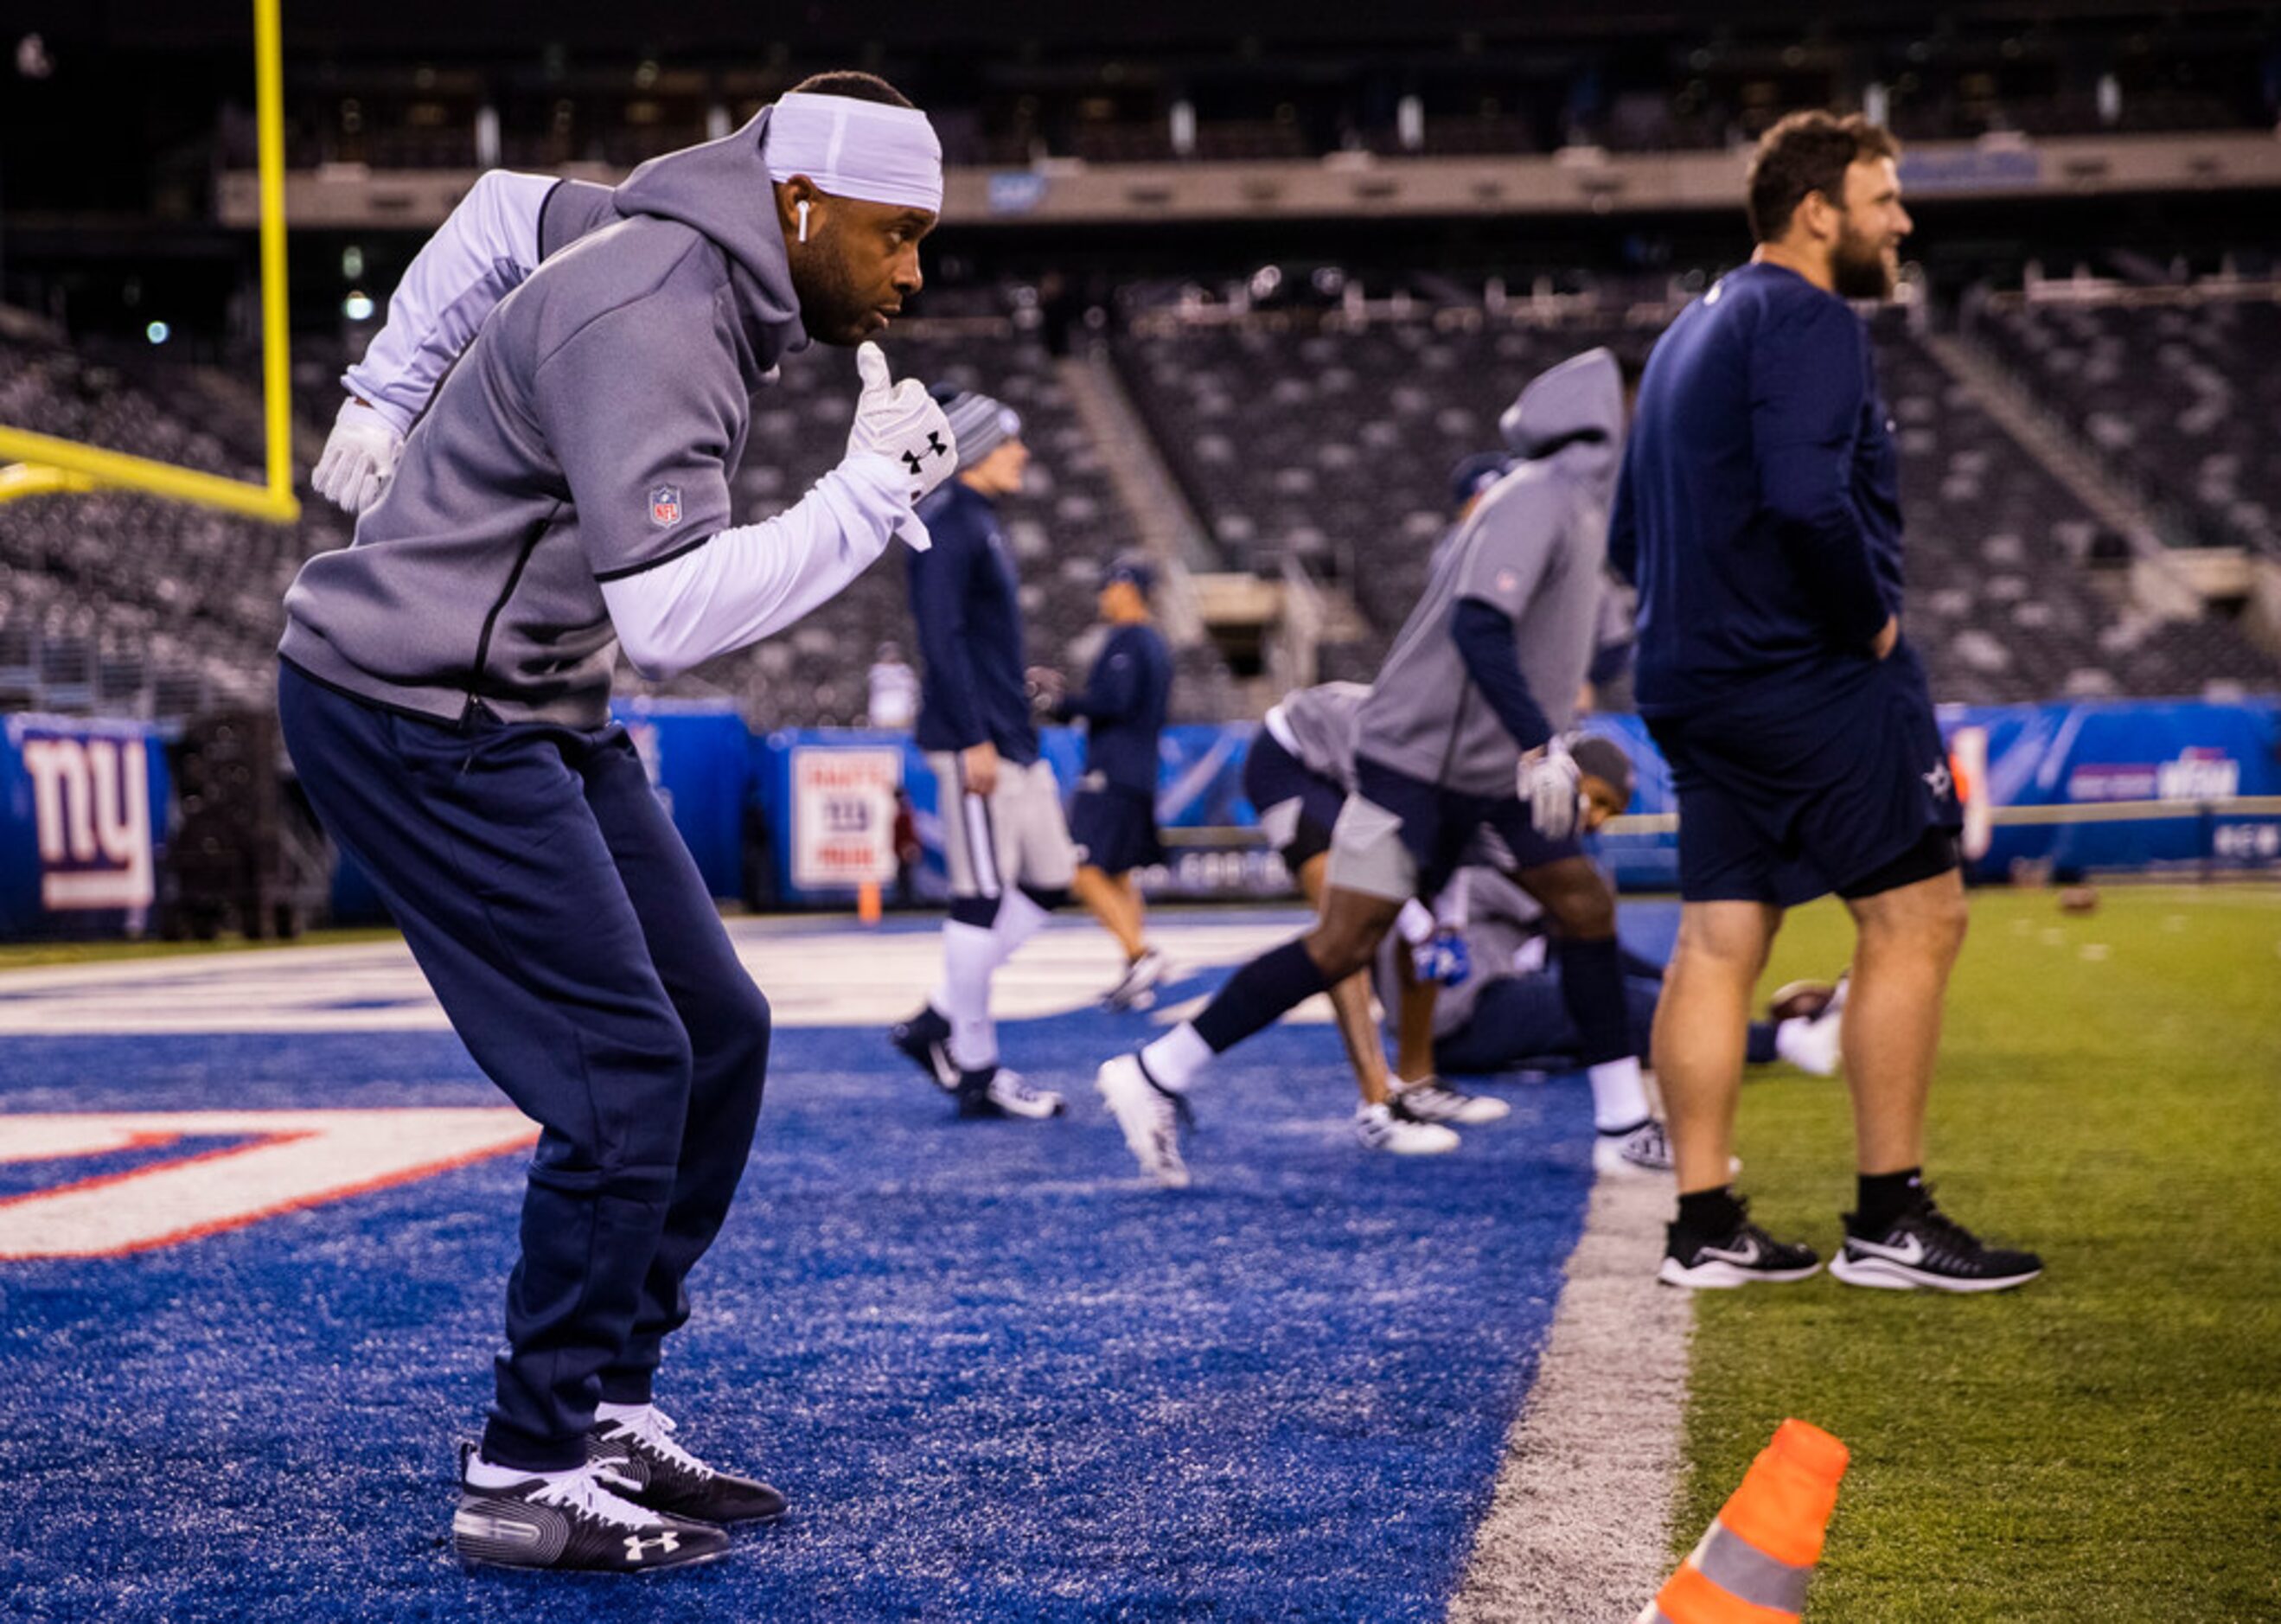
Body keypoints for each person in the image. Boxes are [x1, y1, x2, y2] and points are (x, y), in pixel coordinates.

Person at [282, 74, 959, 1572]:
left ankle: (604, 1402)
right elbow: (667, 614)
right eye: (895, 234)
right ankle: (523, 1462)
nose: (913, 271)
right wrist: (857, 504)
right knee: (626, 1068)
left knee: (716, 1026)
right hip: (420, 704)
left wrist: (385, 396)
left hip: (520, 696)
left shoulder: (671, 238)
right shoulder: (664, 300)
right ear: (799, 205)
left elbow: (497, 213)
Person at [1612, 109, 2041, 1292]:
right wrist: (1870, 623)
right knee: (1917, 917)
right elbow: (1808, 504)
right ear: (1818, 211)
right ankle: (1888, 1219)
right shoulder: (1805, 316)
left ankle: (1702, 1225)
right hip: (1805, 674)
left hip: (1689, 677)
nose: (1901, 220)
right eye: (1884, 197)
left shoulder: (1689, 332)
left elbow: (1622, 535)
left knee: (1715, 938)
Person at [1096, 349, 1657, 1188]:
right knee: (1345, 940)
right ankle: (1155, 1071)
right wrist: (1542, 743)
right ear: (1600, 414)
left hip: (1484, 763)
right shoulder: (1535, 496)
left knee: (1582, 903)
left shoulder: (1575, 506)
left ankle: (1620, 1122)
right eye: (1637, 404)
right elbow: (1478, 624)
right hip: (1418, 761)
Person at [887, 387, 1077, 1122]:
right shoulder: (946, 522)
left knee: (1052, 879)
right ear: (970, 449)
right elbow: (941, 641)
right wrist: (973, 737)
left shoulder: (978, 522)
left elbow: (974, 636)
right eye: (1008, 440)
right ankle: (976, 1066)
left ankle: (935, 1019)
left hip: (1010, 736)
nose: (1022, 452)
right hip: (978, 743)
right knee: (980, 897)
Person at [1397, 857, 1844, 1084]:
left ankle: (1734, 1038)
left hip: (1443, 1026)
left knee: (1611, 1016)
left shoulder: (1450, 854)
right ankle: (1785, 1041)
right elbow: (1575, 936)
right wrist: (1671, 983)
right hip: (1466, 1016)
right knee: (1614, 1000)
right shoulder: (1481, 859)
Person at [1056, 555, 1175, 1010]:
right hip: (1136, 771)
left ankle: (1139, 954)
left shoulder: (1131, 640)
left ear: (1128, 589)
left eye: (1110, 587)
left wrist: (1062, 704)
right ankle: (1136, 971)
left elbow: (1115, 701)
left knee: (1082, 871)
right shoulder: (1153, 643)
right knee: (1119, 874)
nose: (1104, 595)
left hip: (1113, 772)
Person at [866, 640, 920, 730]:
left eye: (893, 653)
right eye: (888, 654)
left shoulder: (906, 673)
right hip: (882, 716)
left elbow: (913, 694)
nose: (891, 657)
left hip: (902, 716)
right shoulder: (877, 674)